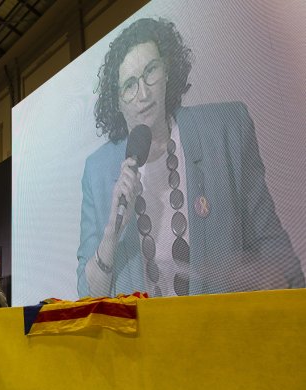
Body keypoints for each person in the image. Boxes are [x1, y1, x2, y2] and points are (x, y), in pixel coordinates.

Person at [76, 17, 305, 298]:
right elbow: (87, 295)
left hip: (221, 331)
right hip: (143, 339)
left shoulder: (226, 129)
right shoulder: (97, 171)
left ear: (168, 70)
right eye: (129, 85)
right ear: (118, 101)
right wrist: (113, 230)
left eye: (151, 71)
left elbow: (273, 247)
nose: (144, 94)